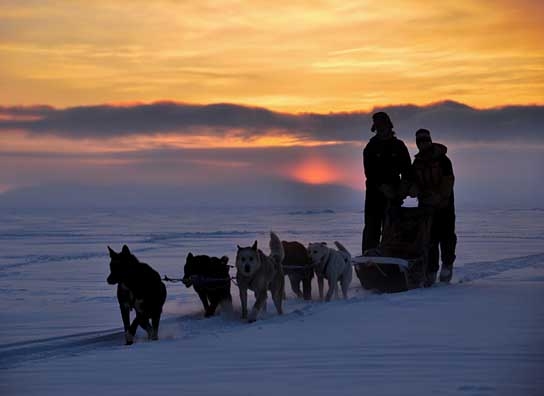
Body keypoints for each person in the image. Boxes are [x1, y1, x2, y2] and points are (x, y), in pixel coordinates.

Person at [411, 128, 457, 284]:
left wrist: (438, 198)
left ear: (430, 141)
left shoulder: (443, 160)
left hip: (444, 206)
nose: (422, 144)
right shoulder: (417, 163)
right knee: (429, 239)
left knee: (447, 237)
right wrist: (411, 190)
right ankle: (431, 270)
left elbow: (448, 182)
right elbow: (414, 182)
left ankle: (447, 265)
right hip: (426, 208)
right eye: (420, 142)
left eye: (425, 140)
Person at [362, 111, 412, 254]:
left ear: (390, 127)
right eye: (378, 127)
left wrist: (403, 188)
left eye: (383, 127)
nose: (381, 130)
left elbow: (407, 170)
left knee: (392, 228)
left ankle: (392, 258)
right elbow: (369, 173)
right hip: (374, 196)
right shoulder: (370, 148)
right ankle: (369, 259)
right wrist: (382, 187)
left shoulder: (399, 146)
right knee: (372, 228)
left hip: (394, 196)